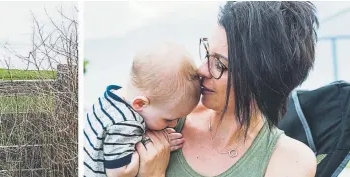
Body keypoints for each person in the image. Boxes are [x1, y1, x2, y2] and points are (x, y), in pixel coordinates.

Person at [136, 2, 319, 177]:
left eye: (220, 64)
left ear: (262, 81)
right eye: (207, 53)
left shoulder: (290, 160)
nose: (201, 70)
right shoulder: (164, 116)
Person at [83, 42, 201, 177]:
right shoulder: (127, 123)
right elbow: (119, 173)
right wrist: (149, 144)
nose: (175, 124)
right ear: (140, 104)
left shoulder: (108, 99)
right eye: (169, 119)